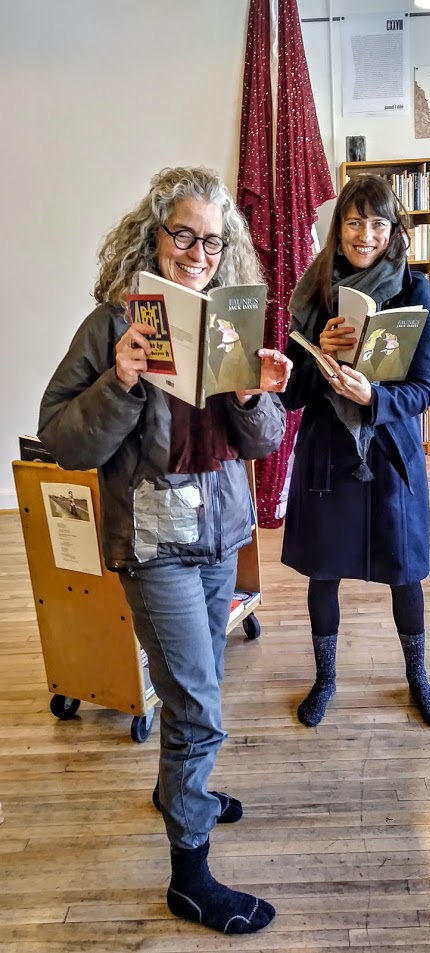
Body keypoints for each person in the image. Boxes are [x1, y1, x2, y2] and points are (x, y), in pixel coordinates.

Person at [38, 167, 291, 935]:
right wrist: (119, 380)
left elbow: (264, 441)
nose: (197, 253)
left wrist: (253, 395)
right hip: (154, 544)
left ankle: (177, 790)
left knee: (198, 683)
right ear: (154, 236)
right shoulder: (110, 326)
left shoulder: (227, 324)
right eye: (184, 234)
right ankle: (189, 877)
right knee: (196, 707)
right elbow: (63, 442)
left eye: (213, 241)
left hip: (220, 535)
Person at [280, 174, 430, 730]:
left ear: (393, 230)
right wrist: (318, 358)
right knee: (322, 571)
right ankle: (326, 678)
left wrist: (373, 397)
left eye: (378, 222)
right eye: (354, 222)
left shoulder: (413, 290)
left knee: (405, 571)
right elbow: (289, 393)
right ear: (339, 228)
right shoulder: (314, 291)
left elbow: (422, 390)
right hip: (327, 456)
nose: (365, 234)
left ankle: (417, 677)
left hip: (389, 454)